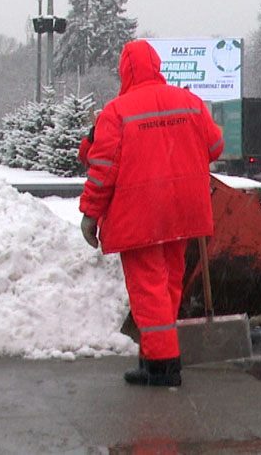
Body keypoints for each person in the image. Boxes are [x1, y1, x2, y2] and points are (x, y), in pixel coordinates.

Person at [78, 40, 223, 387]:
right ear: (157, 65)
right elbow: (215, 147)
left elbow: (101, 167)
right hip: (184, 211)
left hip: (140, 213)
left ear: (123, 70)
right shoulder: (190, 102)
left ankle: (162, 366)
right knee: (170, 282)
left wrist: (90, 214)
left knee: (148, 288)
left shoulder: (116, 112)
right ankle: (157, 351)